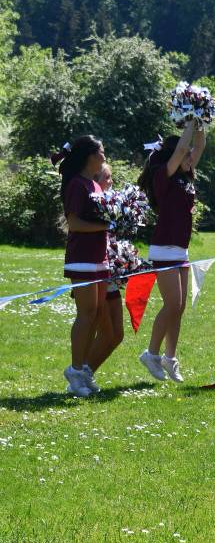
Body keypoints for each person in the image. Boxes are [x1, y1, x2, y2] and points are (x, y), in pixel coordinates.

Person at [138, 121, 205, 383]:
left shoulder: (185, 174)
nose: (190, 158)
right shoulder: (162, 176)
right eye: (186, 156)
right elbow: (182, 150)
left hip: (181, 249)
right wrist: (188, 122)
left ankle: (170, 357)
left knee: (179, 308)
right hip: (164, 247)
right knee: (172, 304)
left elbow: (198, 145)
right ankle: (151, 354)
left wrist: (200, 120)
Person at [54, 137, 110, 397]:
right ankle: (75, 370)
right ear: (90, 155)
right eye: (101, 152)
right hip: (82, 258)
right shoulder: (77, 185)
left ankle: (83, 371)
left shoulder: (94, 184)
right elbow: (74, 223)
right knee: (86, 314)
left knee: (96, 315)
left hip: (99, 257)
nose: (104, 156)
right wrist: (106, 226)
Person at [87, 163, 125, 380]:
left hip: (111, 275)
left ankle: (86, 374)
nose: (111, 182)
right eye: (107, 177)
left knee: (117, 334)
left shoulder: (113, 204)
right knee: (105, 333)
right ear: (96, 180)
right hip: (96, 273)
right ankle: (80, 374)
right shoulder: (91, 205)